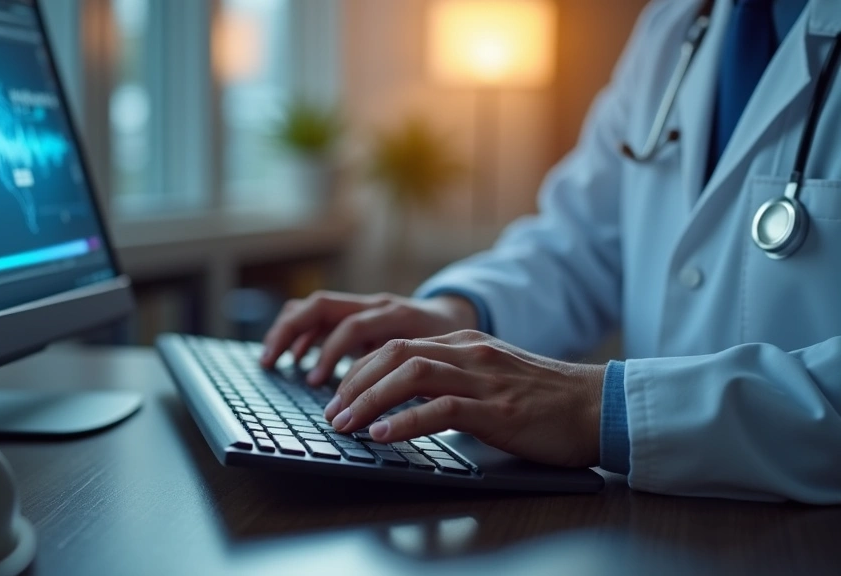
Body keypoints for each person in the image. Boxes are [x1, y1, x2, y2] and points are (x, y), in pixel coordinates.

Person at [260, 0, 841, 504]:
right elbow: (581, 241)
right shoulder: (676, 26)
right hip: (656, 521)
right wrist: (459, 314)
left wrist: (599, 408)